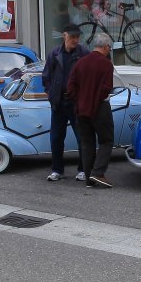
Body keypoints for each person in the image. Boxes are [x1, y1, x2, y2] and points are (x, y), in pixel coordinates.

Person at [67, 34, 116, 189]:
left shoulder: (80, 62)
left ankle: (89, 178)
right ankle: (98, 173)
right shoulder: (106, 64)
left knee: (87, 143)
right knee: (106, 140)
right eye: (109, 48)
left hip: (81, 109)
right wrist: (95, 100)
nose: (109, 50)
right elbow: (106, 88)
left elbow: (71, 87)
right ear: (105, 46)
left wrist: (80, 99)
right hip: (100, 108)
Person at [42, 25, 83, 181]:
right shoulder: (54, 54)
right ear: (64, 35)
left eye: (77, 37)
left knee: (82, 137)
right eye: (72, 37)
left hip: (76, 102)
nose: (75, 40)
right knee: (56, 138)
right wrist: (51, 94)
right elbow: (46, 77)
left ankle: (83, 169)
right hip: (58, 102)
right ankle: (57, 170)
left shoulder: (83, 53)